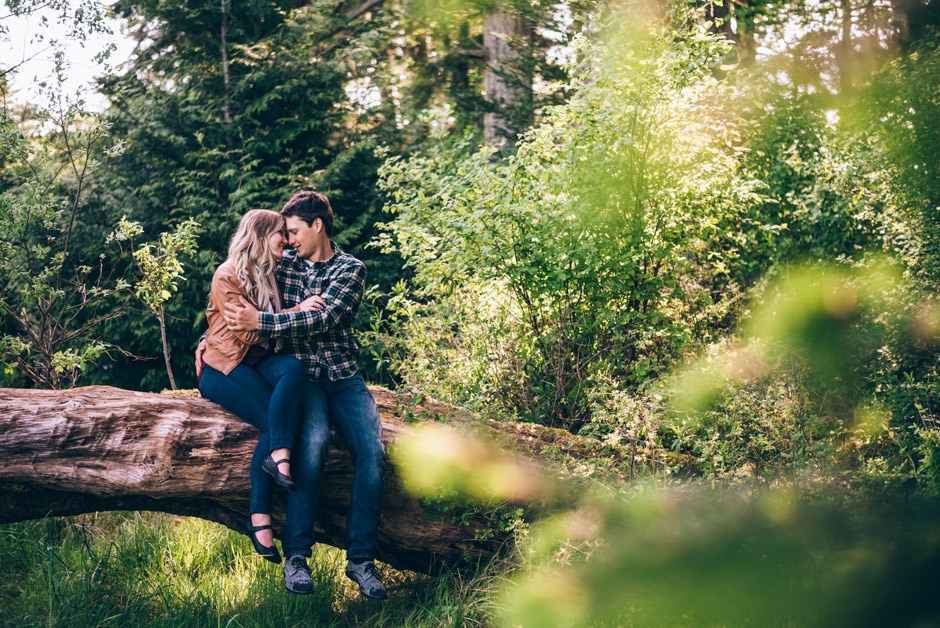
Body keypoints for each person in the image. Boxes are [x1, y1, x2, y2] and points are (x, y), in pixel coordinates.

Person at [223, 191, 388, 600]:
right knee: (310, 446)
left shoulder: (351, 269)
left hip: (344, 376)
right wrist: (215, 339)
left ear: (318, 225)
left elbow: (324, 318)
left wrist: (261, 322)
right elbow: (242, 272)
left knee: (373, 453)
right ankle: (297, 555)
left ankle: (362, 560)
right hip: (306, 379)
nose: (289, 238)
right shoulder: (286, 263)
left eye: (294, 230)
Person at [198, 209, 322, 564]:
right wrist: (297, 311)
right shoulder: (227, 275)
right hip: (224, 366)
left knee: (292, 369)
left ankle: (278, 455)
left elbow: (262, 328)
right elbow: (249, 331)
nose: (286, 240)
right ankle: (259, 515)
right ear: (260, 235)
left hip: (257, 361)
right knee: (274, 421)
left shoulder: (270, 272)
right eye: (280, 234)